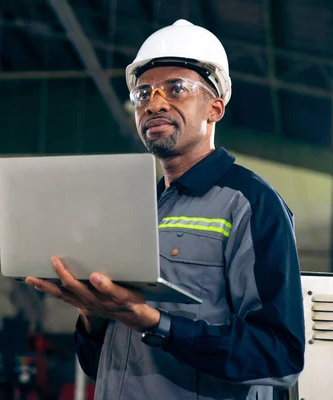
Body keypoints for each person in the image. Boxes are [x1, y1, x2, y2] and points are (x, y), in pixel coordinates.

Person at [25, 19, 305, 400]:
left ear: (215, 108)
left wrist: (157, 324)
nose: (155, 103)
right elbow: (101, 364)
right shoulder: (129, 209)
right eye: (143, 94)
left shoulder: (250, 203)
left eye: (176, 88)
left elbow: (279, 357)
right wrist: (92, 313)